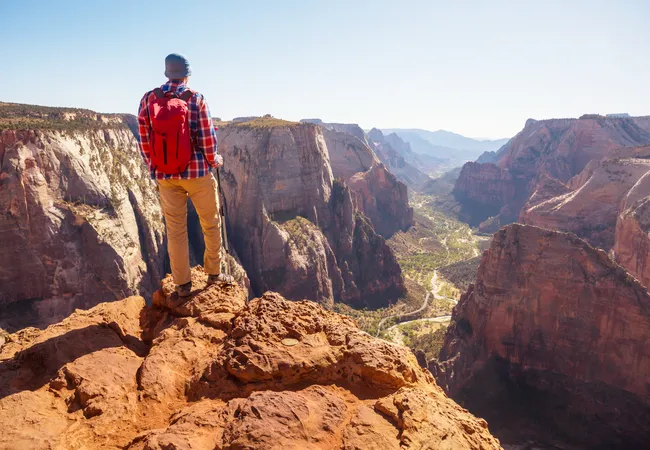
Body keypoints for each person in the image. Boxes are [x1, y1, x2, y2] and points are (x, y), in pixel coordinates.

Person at [137, 53, 232, 297]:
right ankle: (214, 273)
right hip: (197, 173)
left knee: (176, 229)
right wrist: (215, 160)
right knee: (210, 223)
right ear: (187, 74)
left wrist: (155, 167)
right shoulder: (196, 98)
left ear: (167, 73)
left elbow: (145, 139)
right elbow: (207, 139)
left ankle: (182, 284)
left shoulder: (149, 99)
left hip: (165, 176)